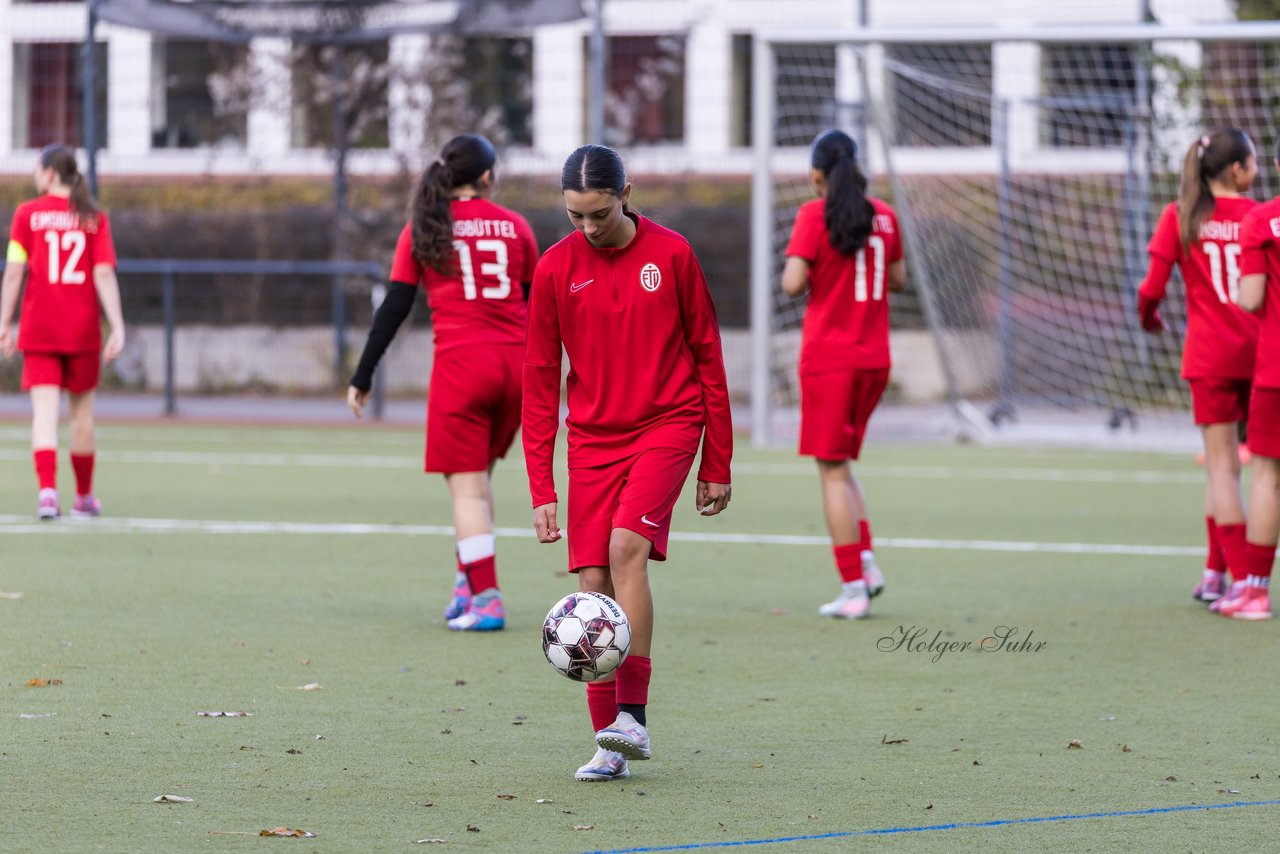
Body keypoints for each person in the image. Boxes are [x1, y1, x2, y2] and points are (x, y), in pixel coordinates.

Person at [523, 144, 733, 782]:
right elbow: (538, 379)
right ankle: (609, 746)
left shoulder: (672, 255)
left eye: (599, 213)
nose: (588, 227)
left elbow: (708, 353)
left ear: (626, 194)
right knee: (591, 586)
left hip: (668, 425)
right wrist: (541, 484)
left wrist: (716, 459)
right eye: (574, 216)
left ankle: (633, 717)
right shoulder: (556, 269)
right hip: (591, 440)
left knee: (625, 552)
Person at [347, 134, 537, 632]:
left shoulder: (424, 228)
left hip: (462, 369)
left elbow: (395, 307)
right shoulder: (516, 226)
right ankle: (467, 584)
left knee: (468, 492)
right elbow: (537, 304)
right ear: (488, 177)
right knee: (480, 482)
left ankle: (488, 600)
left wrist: (363, 373)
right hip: (516, 370)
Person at [781, 129, 905, 620]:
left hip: (830, 360)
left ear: (816, 176)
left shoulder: (815, 213)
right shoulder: (887, 216)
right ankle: (867, 565)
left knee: (830, 472)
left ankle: (853, 587)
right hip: (874, 359)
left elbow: (792, 283)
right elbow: (895, 279)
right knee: (844, 466)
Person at [1137, 127, 1258, 607]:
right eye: (1253, 161)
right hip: (1261, 355)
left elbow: (1150, 290)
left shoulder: (1179, 215)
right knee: (1257, 472)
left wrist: (1151, 321)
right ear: (1236, 169)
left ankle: (1238, 578)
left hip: (1208, 357)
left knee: (1221, 470)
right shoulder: (1259, 216)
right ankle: (1219, 571)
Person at [0, 144, 125, 520]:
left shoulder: (27, 214)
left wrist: (4, 322)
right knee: (82, 415)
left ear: (50, 174)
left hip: (40, 330)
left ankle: (48, 493)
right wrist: (117, 325)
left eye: (37, 170)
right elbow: (103, 273)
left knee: (44, 412)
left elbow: (15, 272)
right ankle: (84, 498)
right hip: (82, 331)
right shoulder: (93, 217)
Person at [1228, 139, 1280, 621]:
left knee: (1267, 475)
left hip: (1275, 368)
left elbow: (1250, 297)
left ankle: (1257, 594)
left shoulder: (1261, 220)